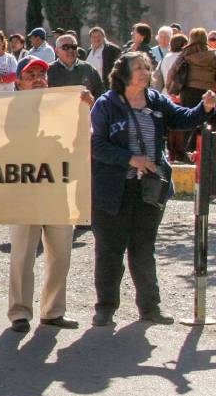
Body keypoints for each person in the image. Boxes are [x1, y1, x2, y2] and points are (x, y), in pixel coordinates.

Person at [90, 52, 216, 326]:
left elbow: (183, 118)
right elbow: (95, 145)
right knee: (110, 251)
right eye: (138, 68)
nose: (145, 73)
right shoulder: (105, 104)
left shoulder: (156, 100)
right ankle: (105, 308)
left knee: (144, 249)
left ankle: (150, 308)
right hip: (113, 190)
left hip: (149, 190)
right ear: (123, 73)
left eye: (147, 68)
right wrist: (130, 159)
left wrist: (204, 108)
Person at [7, 57, 88, 333]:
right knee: (22, 255)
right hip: (23, 190)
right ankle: (19, 311)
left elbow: (79, 140)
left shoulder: (62, 107)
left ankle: (53, 310)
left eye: (42, 73)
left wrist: (85, 107)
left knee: (61, 253)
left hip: (56, 188)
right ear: (18, 81)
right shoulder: (8, 109)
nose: (39, 78)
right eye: (31, 75)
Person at [179, 27, 216, 152]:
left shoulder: (185, 53)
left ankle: (189, 153)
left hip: (188, 91)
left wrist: (173, 89)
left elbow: (173, 72)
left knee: (188, 120)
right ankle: (207, 151)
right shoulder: (213, 54)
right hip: (209, 92)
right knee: (208, 122)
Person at [47, 34, 105, 98]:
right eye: (66, 47)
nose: (71, 50)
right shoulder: (48, 71)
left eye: (74, 47)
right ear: (57, 51)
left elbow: (101, 96)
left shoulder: (89, 69)